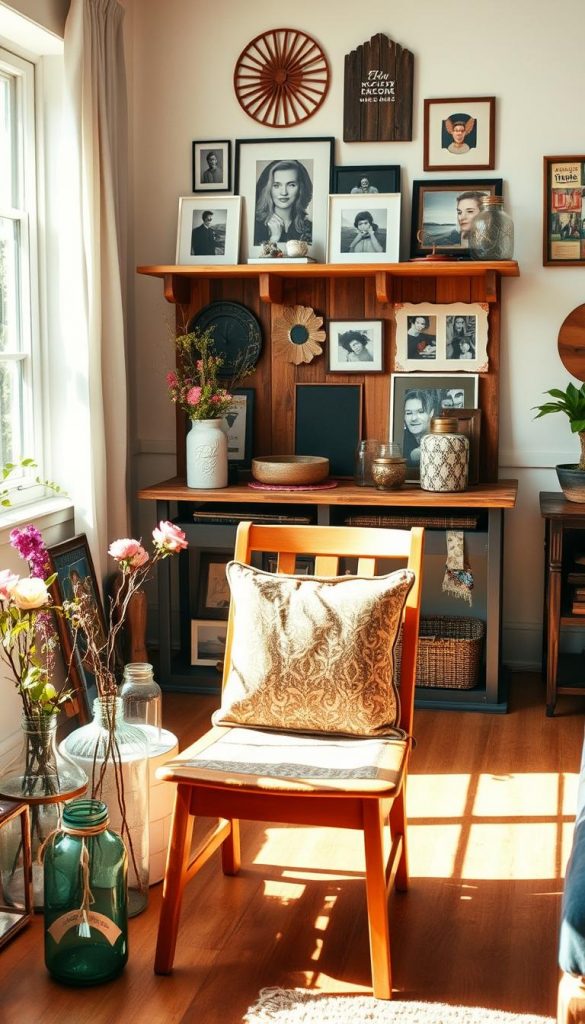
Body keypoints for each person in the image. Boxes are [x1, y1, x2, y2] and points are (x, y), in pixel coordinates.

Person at [254, 160, 312, 245]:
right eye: (276, 185)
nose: (284, 192)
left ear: (301, 189)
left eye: (291, 185)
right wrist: (274, 238)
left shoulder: (309, 228)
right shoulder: (255, 226)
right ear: (268, 189)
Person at [403, 389, 436, 466]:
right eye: (408, 413)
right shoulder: (401, 440)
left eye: (420, 412)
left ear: (431, 413)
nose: (414, 418)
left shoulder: (442, 437)